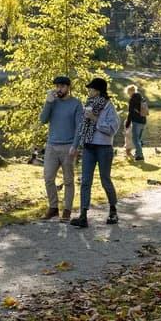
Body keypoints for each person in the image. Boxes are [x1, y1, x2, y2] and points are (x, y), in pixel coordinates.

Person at [70, 77, 120, 227]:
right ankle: (83, 215)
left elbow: (113, 129)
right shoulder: (88, 104)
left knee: (105, 179)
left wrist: (95, 119)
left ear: (98, 91)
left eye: (91, 89)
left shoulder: (108, 106)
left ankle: (113, 211)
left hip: (104, 148)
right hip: (88, 147)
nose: (89, 91)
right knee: (85, 181)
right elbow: (81, 127)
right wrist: (77, 144)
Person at [38, 76, 83, 222]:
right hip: (51, 146)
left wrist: (75, 146)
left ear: (69, 87)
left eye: (62, 86)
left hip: (68, 147)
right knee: (48, 178)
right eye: (57, 86)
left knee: (68, 180)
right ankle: (53, 208)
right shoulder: (52, 102)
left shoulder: (76, 103)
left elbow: (79, 127)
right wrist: (48, 102)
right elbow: (43, 120)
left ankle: (67, 210)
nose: (59, 89)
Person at [124, 84, 149, 161]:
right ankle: (138, 153)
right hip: (143, 121)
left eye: (128, 93)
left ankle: (140, 155)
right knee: (138, 139)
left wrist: (128, 123)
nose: (128, 94)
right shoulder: (142, 98)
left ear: (131, 91)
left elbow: (131, 112)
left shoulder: (133, 99)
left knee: (135, 139)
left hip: (136, 121)